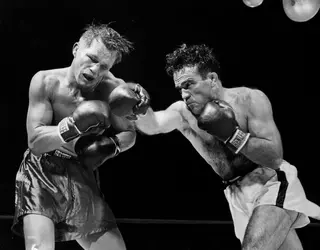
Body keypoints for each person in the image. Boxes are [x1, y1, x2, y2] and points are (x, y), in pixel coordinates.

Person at [134, 44, 320, 249]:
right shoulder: (183, 113)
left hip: (271, 183)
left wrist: (232, 135)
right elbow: (153, 125)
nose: (184, 94)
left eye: (189, 84)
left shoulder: (249, 99)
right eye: (180, 88)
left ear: (212, 79)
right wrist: (139, 108)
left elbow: (274, 157)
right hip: (237, 193)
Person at [12, 23, 150, 250]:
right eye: (91, 58)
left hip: (80, 173)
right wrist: (74, 126)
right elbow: (35, 142)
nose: (95, 70)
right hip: (41, 170)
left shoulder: (112, 90)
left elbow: (129, 135)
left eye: (104, 66)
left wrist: (113, 145)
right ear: (76, 49)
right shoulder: (46, 82)